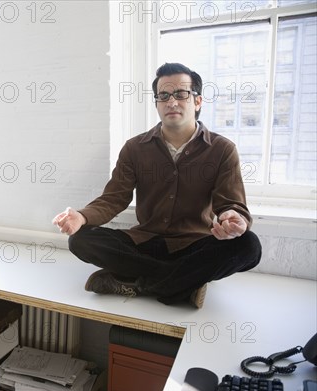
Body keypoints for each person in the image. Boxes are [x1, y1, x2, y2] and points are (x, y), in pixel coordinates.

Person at [52, 63, 262, 308]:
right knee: (80, 240)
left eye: (181, 94)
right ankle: (179, 284)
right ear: (157, 103)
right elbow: (114, 198)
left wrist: (233, 218)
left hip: (193, 246)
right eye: (163, 96)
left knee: (249, 246)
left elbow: (231, 203)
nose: (171, 102)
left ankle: (138, 284)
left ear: (197, 101)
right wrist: (81, 216)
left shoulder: (222, 149)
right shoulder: (135, 148)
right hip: (143, 244)